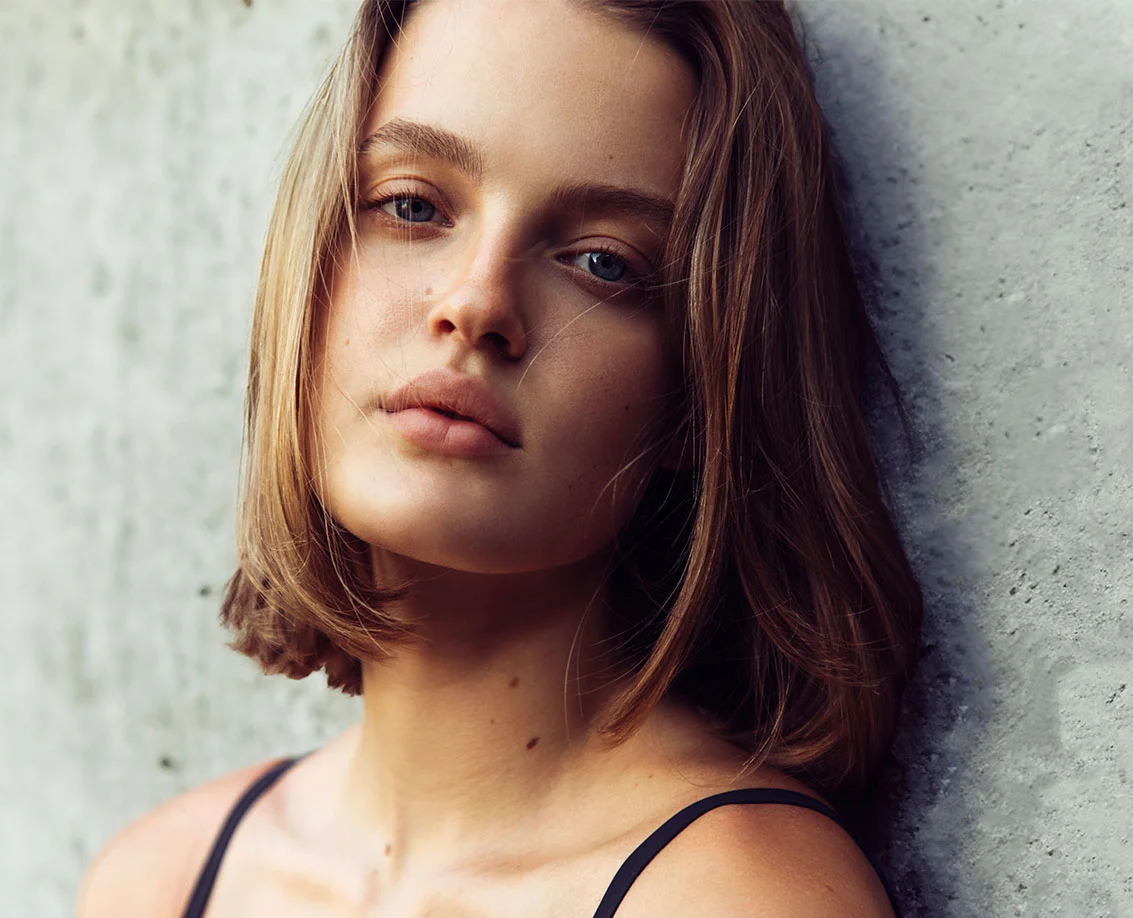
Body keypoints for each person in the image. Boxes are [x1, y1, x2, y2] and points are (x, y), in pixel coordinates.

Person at [78, 0, 923, 914]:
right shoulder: (158, 881)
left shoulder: (738, 896)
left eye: (603, 263)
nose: (476, 303)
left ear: (699, 392)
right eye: (412, 206)